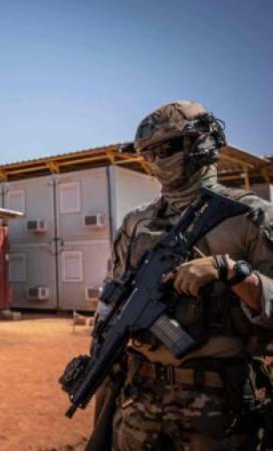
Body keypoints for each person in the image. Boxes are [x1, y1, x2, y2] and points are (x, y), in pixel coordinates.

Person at [95, 100, 273, 450]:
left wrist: (230, 272)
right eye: (147, 154)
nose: (155, 161)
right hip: (139, 405)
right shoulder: (136, 223)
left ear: (200, 142)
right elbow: (110, 298)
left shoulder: (251, 216)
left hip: (218, 411)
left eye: (166, 149)